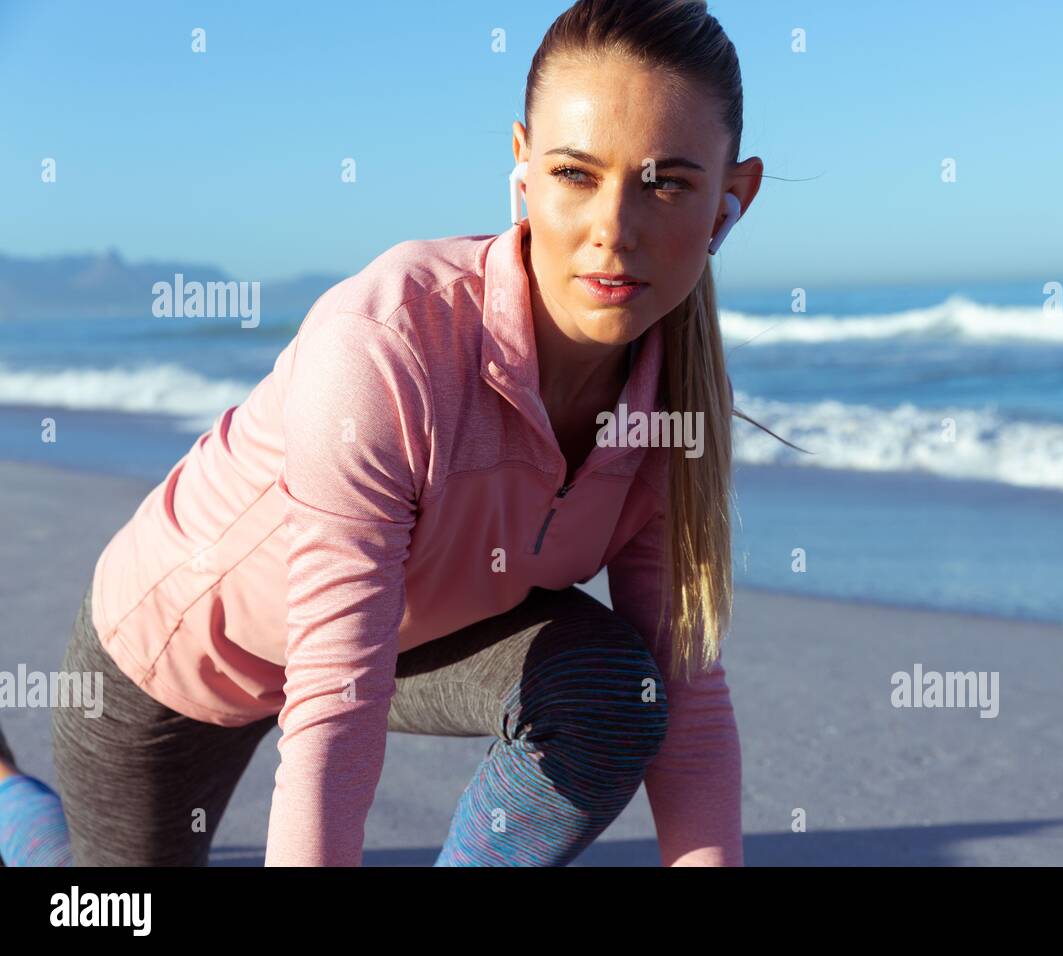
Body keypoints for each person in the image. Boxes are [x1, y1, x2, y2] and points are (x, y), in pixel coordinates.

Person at [0, 0, 775, 867]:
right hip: (181, 663)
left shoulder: (671, 399)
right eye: (574, 174)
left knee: (613, 691)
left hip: (395, 641)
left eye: (667, 182)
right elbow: (335, 708)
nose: (613, 230)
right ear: (522, 167)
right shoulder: (389, 342)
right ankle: (6, 797)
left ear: (729, 200)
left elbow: (683, 689)